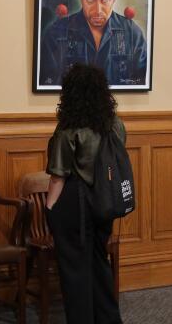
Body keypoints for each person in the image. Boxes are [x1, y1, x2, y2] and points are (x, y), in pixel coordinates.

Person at [44, 64, 125, 324]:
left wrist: (49, 210)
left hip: (74, 205)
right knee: (100, 266)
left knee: (75, 273)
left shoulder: (69, 129)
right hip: (106, 202)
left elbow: (58, 176)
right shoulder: (115, 125)